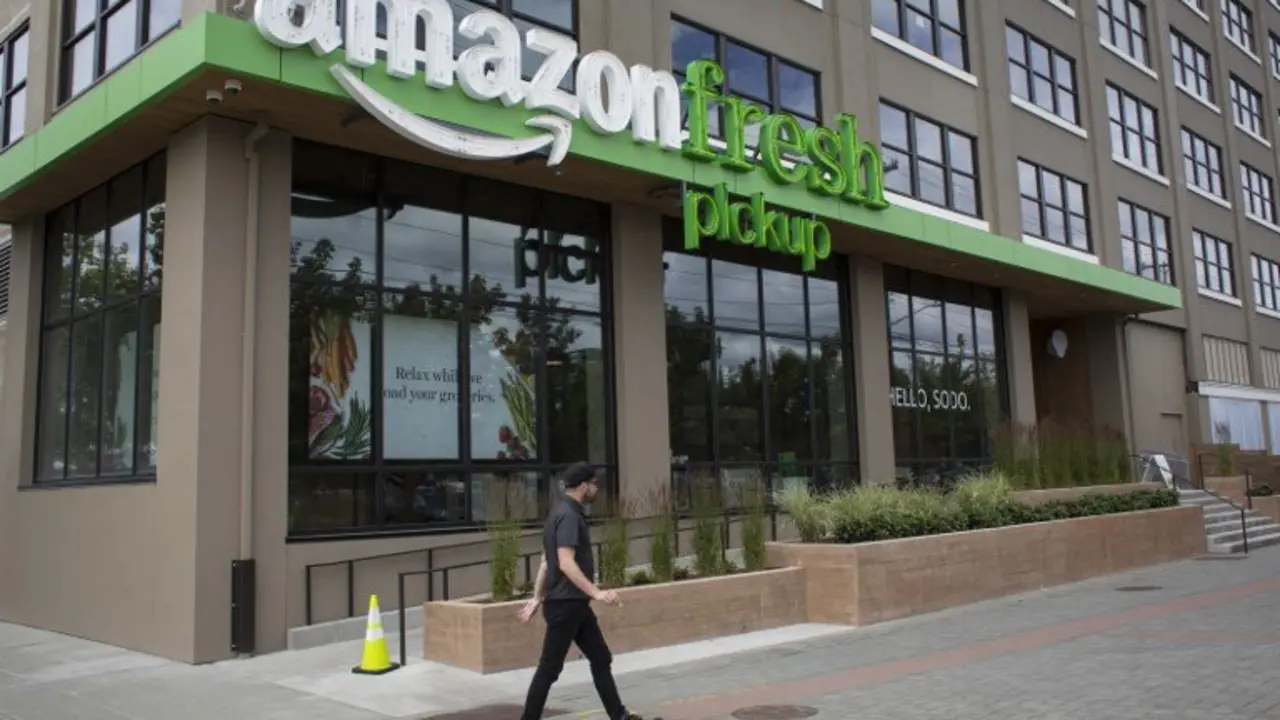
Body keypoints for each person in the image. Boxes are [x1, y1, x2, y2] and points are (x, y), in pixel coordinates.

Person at [517, 463, 646, 720]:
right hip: (566, 606)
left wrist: (536, 596)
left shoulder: (558, 513)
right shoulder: (569, 516)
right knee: (549, 669)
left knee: (601, 658)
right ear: (584, 485)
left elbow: (546, 561)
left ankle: (618, 715)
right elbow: (564, 561)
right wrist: (597, 593)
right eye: (595, 484)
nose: (597, 488)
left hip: (574, 606)